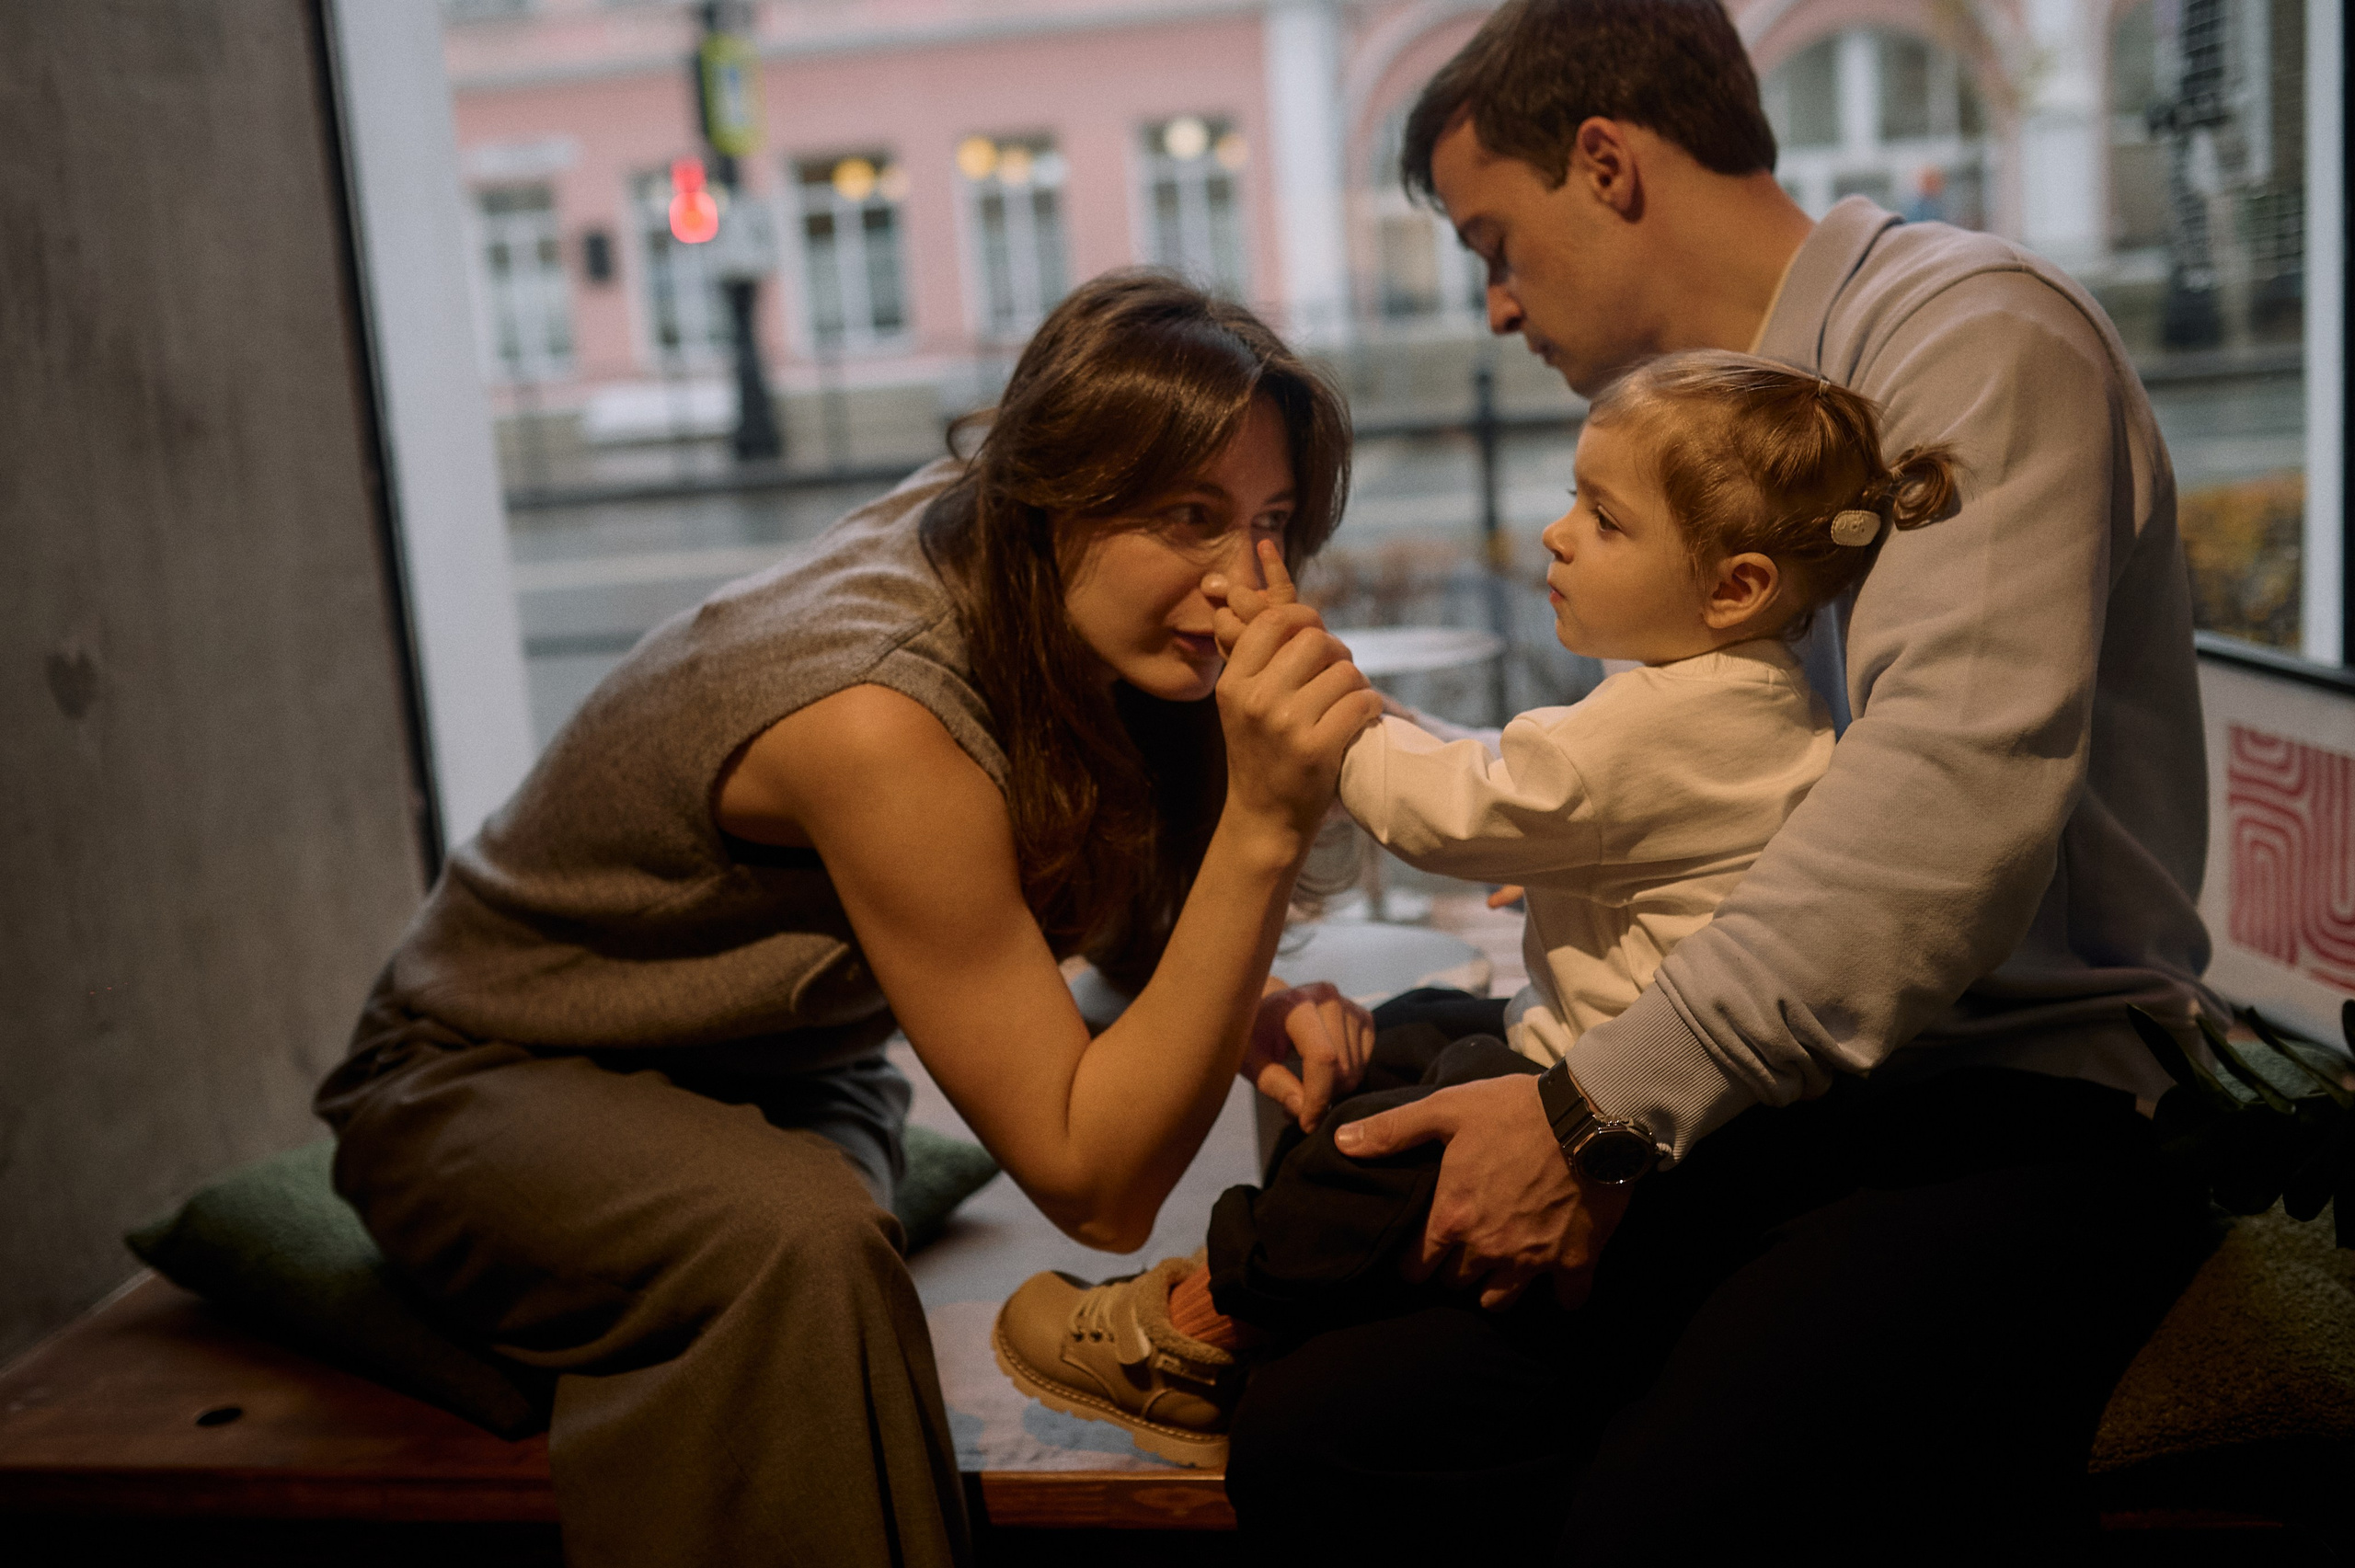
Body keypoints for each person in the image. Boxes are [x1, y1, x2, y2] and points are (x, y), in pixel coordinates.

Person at [1215, 0, 2223, 1557]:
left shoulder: (1972, 337)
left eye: (1495, 243)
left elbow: (1934, 821)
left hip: (2021, 1094)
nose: (1496, 306)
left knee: (1661, 1513)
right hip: (1813, 1087)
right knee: (1316, 1421)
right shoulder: (1751, 409)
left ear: (1606, 164)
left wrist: (1596, 1114)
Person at [312, 271, 1389, 1568]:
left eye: (1272, 522)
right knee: (804, 1253)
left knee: (819, 1247)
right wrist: (1263, 822)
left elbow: (1093, 881)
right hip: (470, 1075)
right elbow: (1094, 1188)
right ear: (1051, 492)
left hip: (781, 1071)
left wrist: (1234, 1001)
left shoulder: (1010, 555)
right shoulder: (879, 717)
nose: (1249, 583)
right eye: (1189, 516)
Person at [992, 353, 1959, 1463]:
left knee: (1378, 1143)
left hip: (1635, 1112)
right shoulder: (1734, 695)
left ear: (1733, 588)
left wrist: (1298, 705)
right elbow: (1533, 783)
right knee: (1406, 1029)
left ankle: (1196, 1327)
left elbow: (1447, 811)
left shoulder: (1674, 722)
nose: (1556, 534)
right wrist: (1489, 808)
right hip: (1635, 1061)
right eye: (1571, 499)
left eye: (1602, 519)